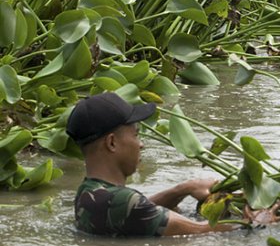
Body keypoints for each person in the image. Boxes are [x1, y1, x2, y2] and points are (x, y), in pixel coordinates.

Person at [66, 92, 237, 237]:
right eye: (136, 135)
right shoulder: (125, 201)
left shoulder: (88, 191)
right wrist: (252, 219)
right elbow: (202, 230)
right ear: (112, 143)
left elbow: (138, 210)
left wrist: (184, 189)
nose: (141, 144)